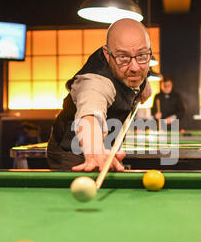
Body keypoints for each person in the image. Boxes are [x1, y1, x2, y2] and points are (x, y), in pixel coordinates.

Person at [47, 18, 152, 171]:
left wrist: (144, 85)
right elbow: (90, 115)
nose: (135, 67)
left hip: (107, 148)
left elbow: (139, 69)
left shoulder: (136, 63)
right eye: (123, 57)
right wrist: (95, 150)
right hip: (70, 151)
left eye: (141, 55)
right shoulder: (95, 81)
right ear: (107, 54)